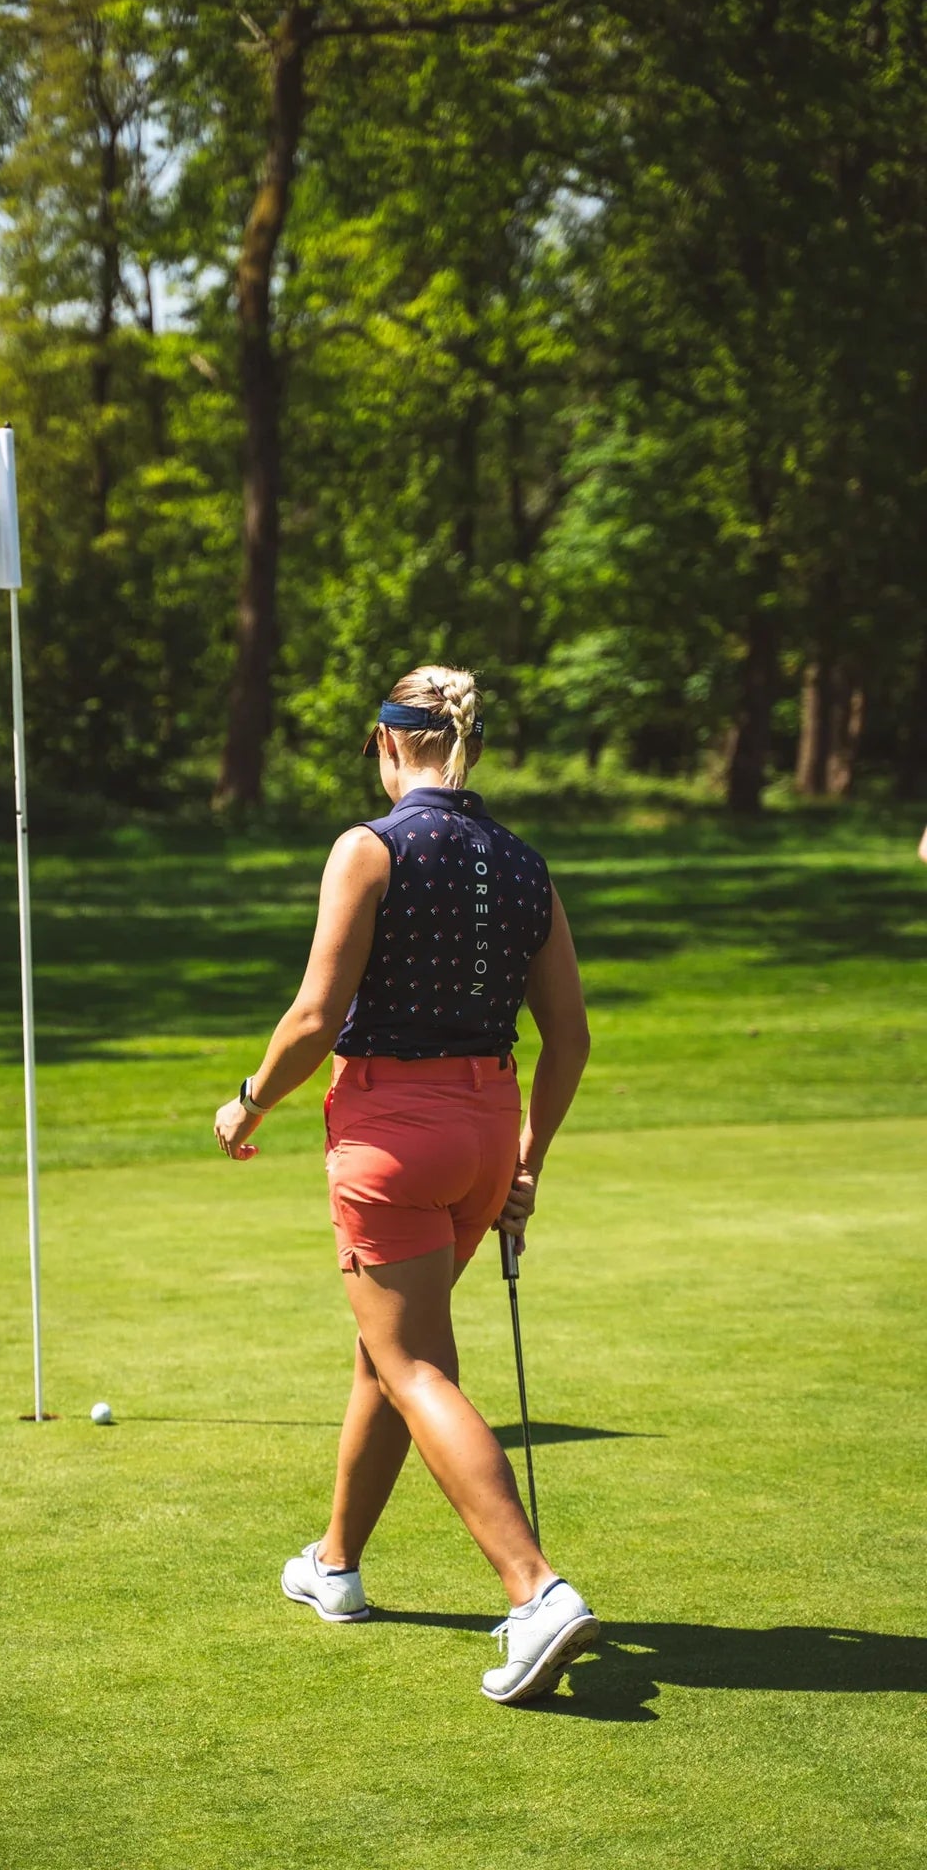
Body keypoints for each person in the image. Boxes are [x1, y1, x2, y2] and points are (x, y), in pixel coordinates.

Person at [213, 665, 598, 1705]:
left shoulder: (366, 848)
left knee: (416, 1361)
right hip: (481, 1138)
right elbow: (570, 1039)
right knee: (381, 1353)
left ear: (387, 745)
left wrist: (246, 1102)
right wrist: (524, 1163)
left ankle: (534, 1589)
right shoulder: (524, 864)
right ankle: (334, 1565)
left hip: (390, 1137)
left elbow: (310, 1018)